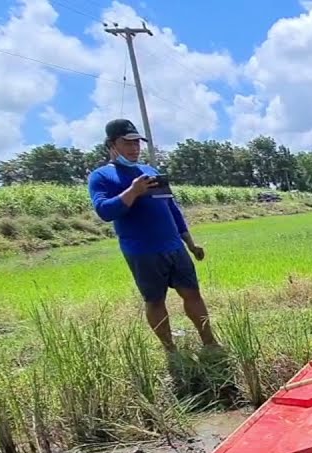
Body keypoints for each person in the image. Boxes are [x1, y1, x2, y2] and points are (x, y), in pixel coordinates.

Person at [88, 119, 218, 355]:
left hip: (173, 246)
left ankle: (210, 342)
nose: (134, 148)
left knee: (192, 293)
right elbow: (105, 211)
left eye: (137, 142)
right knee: (155, 300)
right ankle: (171, 350)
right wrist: (133, 191)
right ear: (111, 144)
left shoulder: (151, 171)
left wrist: (190, 242)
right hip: (142, 251)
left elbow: (171, 208)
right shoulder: (102, 177)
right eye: (127, 142)